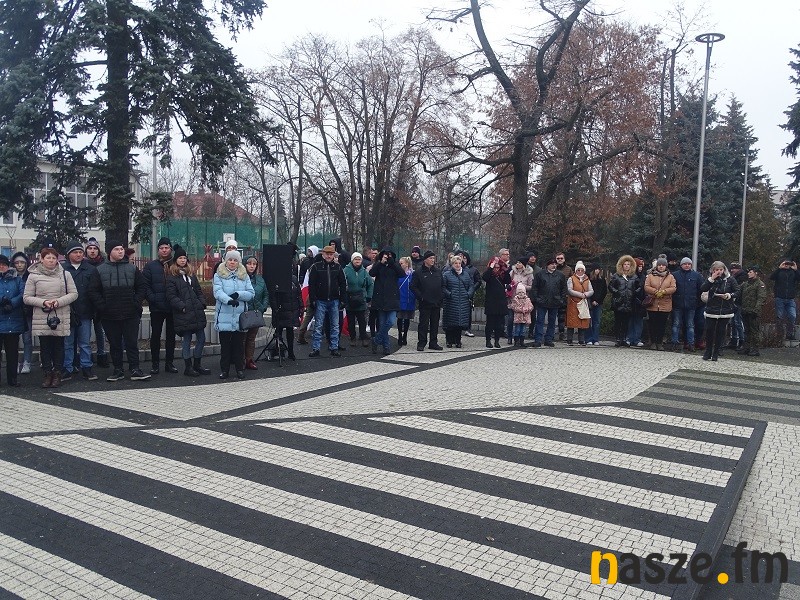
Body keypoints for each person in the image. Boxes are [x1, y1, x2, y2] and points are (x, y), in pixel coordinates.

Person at [88, 240, 150, 382]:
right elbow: (93, 291)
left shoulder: (132, 268)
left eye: (121, 249)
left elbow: (142, 287)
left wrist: (136, 302)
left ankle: (135, 369)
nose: (120, 251)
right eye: (117, 249)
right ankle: (118, 370)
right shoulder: (100, 270)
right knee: (115, 344)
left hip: (130, 313)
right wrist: (103, 306)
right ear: (110, 252)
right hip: (109, 315)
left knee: (131, 343)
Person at [23, 242, 78, 388]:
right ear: (41, 259)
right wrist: (43, 302)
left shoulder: (65, 274)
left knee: (59, 346)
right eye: (48, 258)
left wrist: (58, 302)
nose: (51, 260)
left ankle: (57, 373)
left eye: (54, 258)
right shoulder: (33, 276)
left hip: (60, 313)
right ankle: (47, 373)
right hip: (42, 315)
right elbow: (26, 297)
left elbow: (74, 294)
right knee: (45, 346)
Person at [166, 245, 210, 376]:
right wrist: (182, 306)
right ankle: (188, 367)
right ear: (176, 260)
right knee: (187, 340)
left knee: (201, 338)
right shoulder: (172, 278)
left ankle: (197, 364)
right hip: (183, 314)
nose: (183, 260)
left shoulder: (191, 275)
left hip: (196, 312)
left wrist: (202, 303)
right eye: (180, 258)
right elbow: (171, 296)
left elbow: (198, 291)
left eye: (184, 258)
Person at [61, 240, 99, 381]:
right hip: (67, 311)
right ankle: (67, 368)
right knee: (68, 343)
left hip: (85, 311)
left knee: (85, 343)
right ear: (68, 254)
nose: (78, 255)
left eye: (80, 252)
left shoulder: (90, 269)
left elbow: (95, 290)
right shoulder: (62, 269)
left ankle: (86, 367)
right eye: (75, 252)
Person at [213, 250, 255, 378]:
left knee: (239, 346)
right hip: (224, 316)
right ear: (226, 261)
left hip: (239, 317)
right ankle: (224, 370)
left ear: (238, 262)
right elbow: (217, 292)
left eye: (235, 260)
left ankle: (239, 369)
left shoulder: (244, 275)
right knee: (225, 347)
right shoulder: (219, 275)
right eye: (230, 260)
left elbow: (251, 293)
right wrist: (229, 300)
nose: (232, 262)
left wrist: (239, 295)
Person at [143, 236, 177, 375]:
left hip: (172, 307)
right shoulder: (150, 266)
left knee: (171, 336)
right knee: (156, 335)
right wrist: (153, 298)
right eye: (161, 248)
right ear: (158, 250)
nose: (164, 250)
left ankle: (169, 363)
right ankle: (155, 364)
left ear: (170, 249)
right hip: (157, 307)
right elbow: (145, 285)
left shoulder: (176, 265)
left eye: (166, 248)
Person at [307, 245, 347, 357]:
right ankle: (316, 348)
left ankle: (334, 347)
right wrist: (313, 299)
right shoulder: (316, 267)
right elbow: (311, 285)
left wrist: (343, 299)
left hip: (334, 299)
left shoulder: (338, 267)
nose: (329, 256)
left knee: (335, 325)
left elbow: (342, 284)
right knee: (318, 325)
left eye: (331, 254)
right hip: (320, 299)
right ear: (323, 255)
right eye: (327, 254)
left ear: (333, 255)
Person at [700, 261, 739, 361]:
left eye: (721, 269)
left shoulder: (730, 279)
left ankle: (716, 352)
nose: (719, 272)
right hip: (711, 308)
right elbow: (703, 288)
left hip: (725, 308)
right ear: (713, 270)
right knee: (709, 330)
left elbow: (737, 291)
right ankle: (708, 351)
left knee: (720, 331)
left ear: (724, 270)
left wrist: (729, 295)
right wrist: (711, 279)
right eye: (717, 270)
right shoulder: (710, 279)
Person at [369, 247, 405, 355]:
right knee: (382, 324)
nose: (387, 257)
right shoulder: (379, 265)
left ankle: (376, 340)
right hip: (380, 299)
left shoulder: (395, 266)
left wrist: (392, 263)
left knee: (390, 322)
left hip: (392, 299)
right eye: (385, 255)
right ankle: (386, 347)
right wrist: (381, 263)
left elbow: (402, 274)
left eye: (389, 255)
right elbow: (371, 273)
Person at [410, 250, 443, 351]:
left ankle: (433, 342)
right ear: (425, 260)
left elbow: (443, 284)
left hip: (436, 302)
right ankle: (421, 343)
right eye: (430, 258)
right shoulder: (418, 272)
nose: (433, 260)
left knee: (435, 324)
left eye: (433, 258)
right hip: (425, 302)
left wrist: (441, 296)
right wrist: (421, 297)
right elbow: (413, 286)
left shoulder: (438, 271)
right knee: (423, 324)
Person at [441, 254, 476, 348]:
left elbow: (471, 286)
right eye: (455, 263)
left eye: (459, 263)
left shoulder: (466, 274)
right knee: (450, 323)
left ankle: (458, 340)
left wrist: (468, 294)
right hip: (451, 302)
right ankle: (449, 340)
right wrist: (449, 294)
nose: (457, 265)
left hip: (463, 302)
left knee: (459, 323)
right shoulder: (447, 274)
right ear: (452, 264)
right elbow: (443, 287)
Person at [0, 254, 25, 386]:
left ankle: (13, 378)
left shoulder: (17, 279)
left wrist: (12, 303)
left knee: (12, 353)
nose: (1, 267)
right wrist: (2, 300)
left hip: (13, 319)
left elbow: (23, 294)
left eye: (4, 264)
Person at [531, 258, 567, 348]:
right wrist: (537, 299)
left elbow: (564, 288)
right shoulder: (540, 274)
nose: (554, 266)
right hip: (542, 301)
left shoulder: (560, 275)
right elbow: (535, 287)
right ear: (547, 265)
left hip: (555, 301)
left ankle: (549, 339)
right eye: (552, 264)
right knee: (540, 321)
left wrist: (561, 300)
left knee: (552, 322)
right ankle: (538, 340)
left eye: (555, 264)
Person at [84, 238, 109, 368]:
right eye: (90, 248)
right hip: (86, 303)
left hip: (100, 302)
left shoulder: (104, 264)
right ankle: (85, 359)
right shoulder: (82, 264)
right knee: (85, 334)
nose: (92, 251)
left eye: (95, 248)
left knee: (100, 331)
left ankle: (102, 354)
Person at [643, 256, 677, 351]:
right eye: (659, 265)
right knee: (652, 324)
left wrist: (664, 291)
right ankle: (653, 342)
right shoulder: (651, 276)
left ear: (666, 266)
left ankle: (659, 342)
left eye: (663, 265)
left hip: (665, 304)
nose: (661, 267)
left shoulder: (670, 277)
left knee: (662, 325)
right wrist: (655, 291)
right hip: (653, 304)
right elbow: (646, 286)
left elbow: (673, 288)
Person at [243, 255, 269, 370]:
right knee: (242, 338)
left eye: (254, 264)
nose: (252, 266)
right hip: (244, 313)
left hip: (256, 313)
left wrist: (263, 307)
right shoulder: (241, 278)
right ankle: (240, 360)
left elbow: (266, 294)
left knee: (251, 338)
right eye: (249, 264)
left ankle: (249, 360)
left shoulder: (260, 279)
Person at [670, 257, 702, 352]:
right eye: (685, 264)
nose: (687, 265)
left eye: (689, 264)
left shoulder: (696, 275)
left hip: (691, 304)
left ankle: (690, 343)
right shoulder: (675, 275)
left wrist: (696, 301)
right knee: (676, 324)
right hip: (677, 304)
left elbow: (700, 289)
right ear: (681, 265)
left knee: (690, 325)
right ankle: (674, 343)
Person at [343, 252, 374, 347]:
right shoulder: (346, 270)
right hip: (349, 299)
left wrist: (369, 296)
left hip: (361, 300)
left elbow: (370, 284)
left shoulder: (364, 271)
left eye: (359, 259)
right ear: (352, 260)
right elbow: (342, 284)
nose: (357, 261)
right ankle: (352, 338)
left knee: (362, 321)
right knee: (351, 321)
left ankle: (363, 337)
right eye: (356, 259)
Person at [270, 272, 302, 361]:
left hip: (291, 308)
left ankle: (291, 352)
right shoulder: (276, 279)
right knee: (279, 330)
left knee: (290, 330)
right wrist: (275, 308)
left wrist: (300, 306)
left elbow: (298, 293)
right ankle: (279, 351)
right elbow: (273, 296)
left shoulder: (294, 279)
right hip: (281, 308)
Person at [608, 254, 638, 347]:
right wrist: (617, 292)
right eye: (625, 264)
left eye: (628, 264)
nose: (626, 266)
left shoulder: (634, 276)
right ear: (621, 265)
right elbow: (610, 286)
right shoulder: (616, 276)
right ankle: (618, 339)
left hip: (629, 302)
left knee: (626, 322)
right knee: (618, 321)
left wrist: (633, 293)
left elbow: (639, 287)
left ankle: (624, 339)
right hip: (618, 302)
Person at [482, 256, 511, 348]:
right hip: (491, 302)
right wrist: (491, 268)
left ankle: (497, 341)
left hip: (501, 302)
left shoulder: (502, 275)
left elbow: (508, 280)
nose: (496, 269)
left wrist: (506, 270)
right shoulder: (489, 275)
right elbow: (485, 277)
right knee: (490, 323)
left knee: (499, 324)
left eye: (498, 267)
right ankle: (488, 340)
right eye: (495, 267)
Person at [738, 266, 767, 357]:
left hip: (754, 311)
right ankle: (746, 347)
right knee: (746, 330)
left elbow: (761, 298)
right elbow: (738, 293)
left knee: (754, 331)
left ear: (756, 273)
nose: (748, 274)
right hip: (745, 310)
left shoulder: (760, 284)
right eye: (748, 272)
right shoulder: (745, 284)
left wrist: (756, 310)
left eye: (750, 272)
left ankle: (755, 348)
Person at [769, 259, 800, 341]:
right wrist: (779, 268)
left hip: (790, 298)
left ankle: (789, 334)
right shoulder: (779, 272)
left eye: (788, 263)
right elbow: (771, 277)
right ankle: (779, 335)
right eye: (785, 263)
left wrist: (796, 270)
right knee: (779, 317)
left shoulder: (793, 272)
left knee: (792, 316)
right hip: (780, 298)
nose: (786, 265)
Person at [11, 252, 32, 373]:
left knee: (27, 339)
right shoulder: (10, 276)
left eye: (22, 262)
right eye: (17, 262)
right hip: (13, 311)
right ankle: (15, 362)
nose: (19, 265)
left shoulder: (30, 276)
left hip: (27, 311)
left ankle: (27, 362)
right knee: (13, 340)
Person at [565, 261, 593, 346]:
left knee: (582, 321)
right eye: (578, 270)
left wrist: (586, 294)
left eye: (582, 270)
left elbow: (591, 290)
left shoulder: (587, 280)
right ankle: (569, 339)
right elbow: (569, 290)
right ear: (575, 270)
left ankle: (581, 340)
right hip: (573, 302)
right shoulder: (571, 279)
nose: (580, 271)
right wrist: (580, 294)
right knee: (571, 321)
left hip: (583, 302)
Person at [507, 257, 534, 344]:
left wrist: (522, 286)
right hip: (513, 299)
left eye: (519, 262)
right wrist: (510, 286)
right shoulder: (512, 272)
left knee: (521, 320)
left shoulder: (529, 274)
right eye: (517, 262)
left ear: (524, 264)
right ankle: (510, 336)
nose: (517, 264)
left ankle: (520, 338)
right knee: (510, 319)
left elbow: (531, 286)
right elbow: (507, 282)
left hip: (523, 300)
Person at [458, 251, 481, 337]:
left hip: (468, 293)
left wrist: (473, 289)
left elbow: (478, 281)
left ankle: (468, 329)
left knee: (468, 312)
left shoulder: (473, 269)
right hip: (458, 292)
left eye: (464, 258)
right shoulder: (455, 269)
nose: (463, 260)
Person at [726, 262, 748, 350]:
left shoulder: (742, 278)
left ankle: (741, 340)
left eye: (734, 268)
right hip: (734, 302)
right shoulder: (733, 278)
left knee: (738, 322)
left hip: (739, 302)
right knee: (733, 322)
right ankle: (734, 340)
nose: (732, 270)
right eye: (731, 268)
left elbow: (739, 290)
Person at [627, 257, 647, 347]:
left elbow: (644, 289)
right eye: (638, 266)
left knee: (639, 321)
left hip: (640, 302)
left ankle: (637, 339)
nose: (640, 268)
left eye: (641, 266)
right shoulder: (630, 276)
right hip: (631, 301)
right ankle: (629, 338)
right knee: (630, 321)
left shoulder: (643, 276)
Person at [396, 257, 415, 346]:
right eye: (399, 263)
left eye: (401, 263)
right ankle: (399, 334)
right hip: (400, 298)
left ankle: (405, 335)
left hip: (409, 299)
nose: (400, 265)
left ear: (407, 264)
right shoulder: (397, 274)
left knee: (407, 318)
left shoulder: (413, 275)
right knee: (400, 317)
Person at [586, 264, 606, 346]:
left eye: (598, 269)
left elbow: (604, 291)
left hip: (599, 302)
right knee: (588, 321)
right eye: (596, 269)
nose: (597, 271)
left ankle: (595, 338)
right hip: (590, 302)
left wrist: (598, 300)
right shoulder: (589, 279)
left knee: (597, 321)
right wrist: (592, 300)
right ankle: (588, 338)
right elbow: (588, 290)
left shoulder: (602, 279)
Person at [554, 252, 572, 340]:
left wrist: (568, 294)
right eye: (558, 258)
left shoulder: (568, 269)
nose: (560, 260)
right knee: (552, 315)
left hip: (564, 295)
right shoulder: (553, 268)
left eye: (561, 258)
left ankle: (561, 332)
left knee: (562, 316)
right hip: (553, 295)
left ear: (564, 259)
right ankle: (551, 333)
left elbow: (572, 281)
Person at [510, 283, 533, 347]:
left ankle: (522, 341)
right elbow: (513, 307)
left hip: (525, 318)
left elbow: (531, 307)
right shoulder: (515, 299)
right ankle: (516, 341)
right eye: (519, 292)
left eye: (522, 292)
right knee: (517, 329)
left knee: (523, 330)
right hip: (518, 317)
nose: (521, 294)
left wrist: (526, 309)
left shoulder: (527, 300)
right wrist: (521, 309)